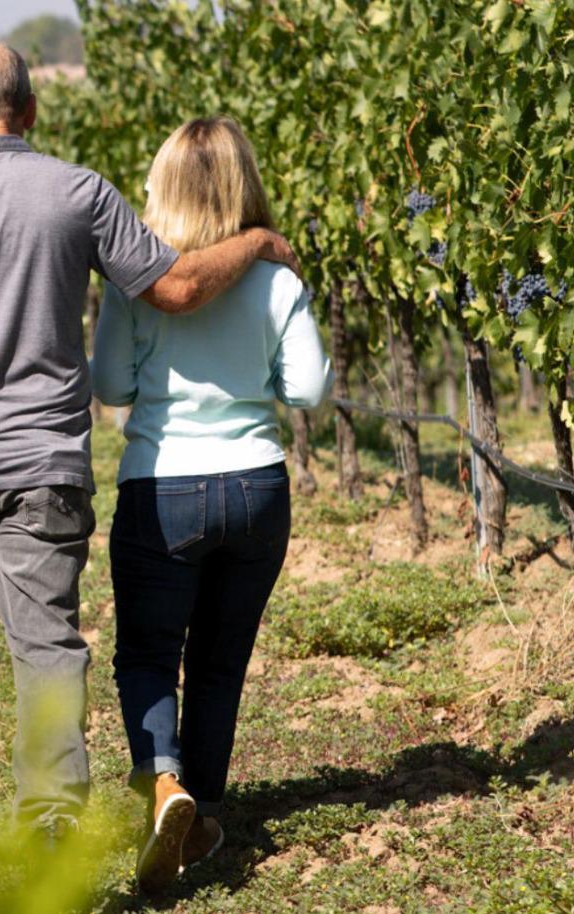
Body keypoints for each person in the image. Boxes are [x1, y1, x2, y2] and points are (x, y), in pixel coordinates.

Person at [0, 41, 301, 841]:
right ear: (30, 110)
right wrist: (258, 242)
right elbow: (178, 287)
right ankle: (51, 821)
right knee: (47, 639)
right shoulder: (77, 192)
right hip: (44, 462)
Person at [91, 117, 331, 891]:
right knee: (221, 659)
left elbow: (110, 386)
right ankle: (205, 809)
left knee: (148, 652)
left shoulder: (137, 282)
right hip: (258, 486)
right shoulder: (277, 279)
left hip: (162, 485)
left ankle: (167, 785)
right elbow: (309, 390)